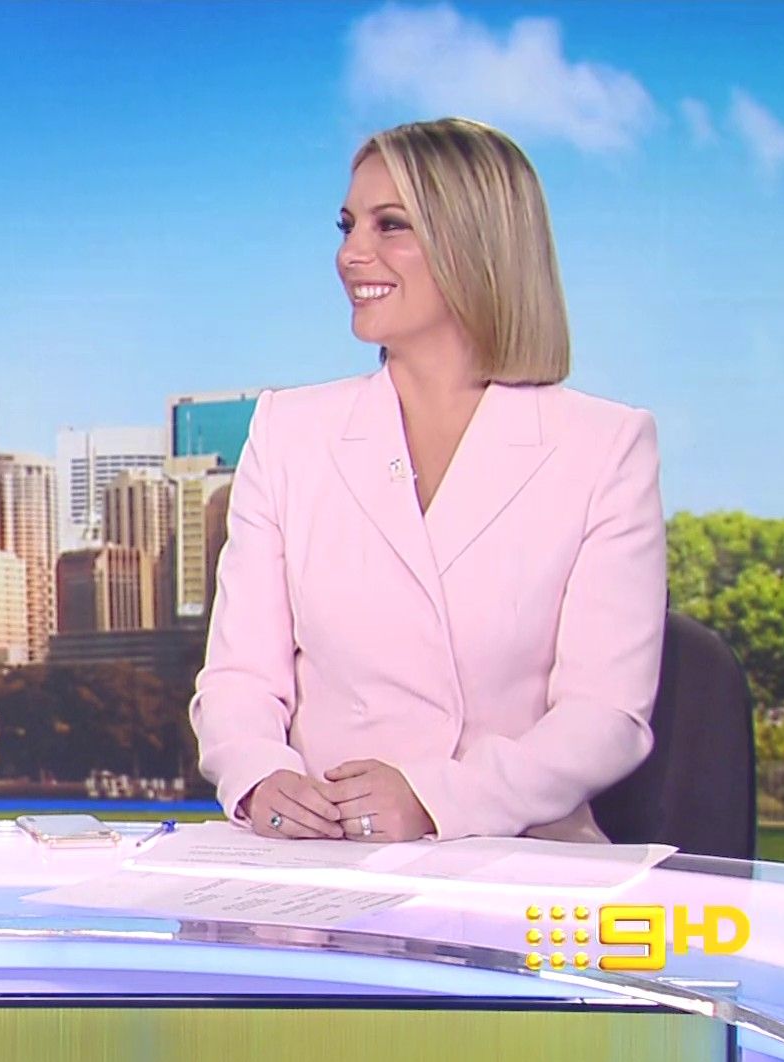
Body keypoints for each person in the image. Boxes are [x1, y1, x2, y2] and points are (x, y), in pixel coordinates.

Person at [191, 117, 664, 844]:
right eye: (347, 225)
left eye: (390, 226)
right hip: (321, 855)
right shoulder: (289, 431)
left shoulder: (603, 446)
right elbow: (239, 678)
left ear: (476, 242)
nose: (351, 254)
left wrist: (438, 800)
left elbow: (606, 716)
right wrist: (258, 776)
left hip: (518, 858)